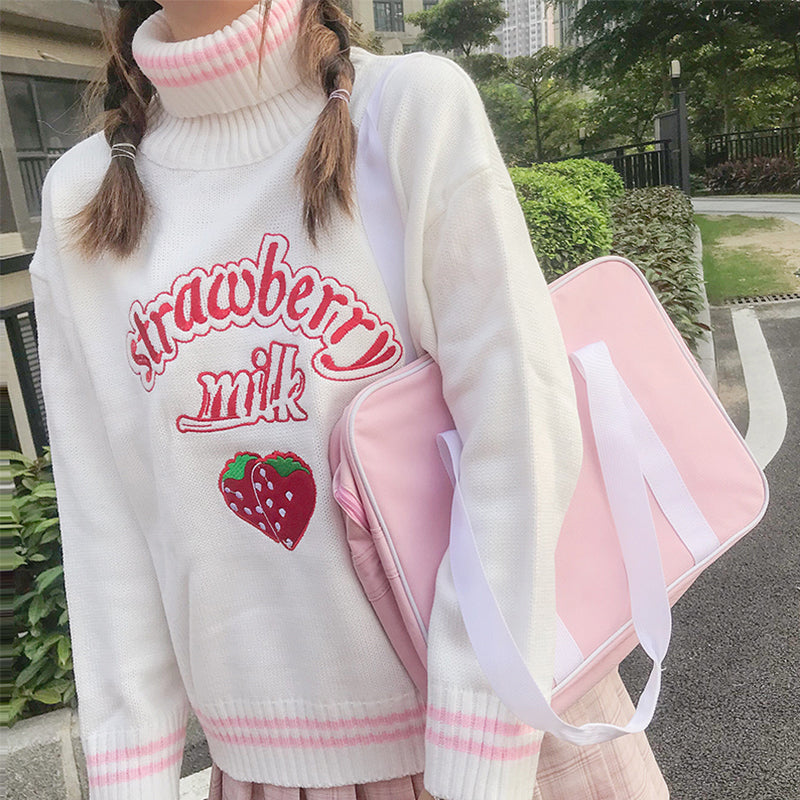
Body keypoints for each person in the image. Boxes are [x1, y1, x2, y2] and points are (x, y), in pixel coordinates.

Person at [28, 1, 668, 798]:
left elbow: (522, 428)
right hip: (268, 774)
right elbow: (107, 530)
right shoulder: (81, 196)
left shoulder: (407, 111)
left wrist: (479, 750)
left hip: (501, 742)